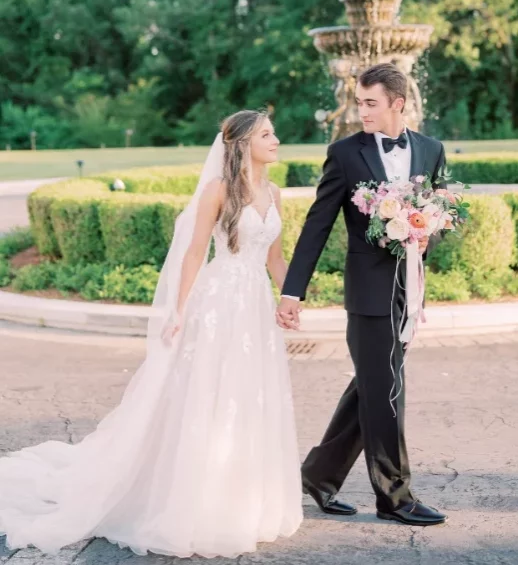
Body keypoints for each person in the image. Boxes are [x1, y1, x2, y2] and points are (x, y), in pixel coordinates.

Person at [0, 110, 303, 558]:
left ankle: (241, 496)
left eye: (273, 132)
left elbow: (276, 258)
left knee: (249, 394)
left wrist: (291, 297)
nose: (275, 139)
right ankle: (191, 498)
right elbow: (194, 253)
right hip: (219, 306)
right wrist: (178, 311)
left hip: (255, 307)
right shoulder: (218, 191)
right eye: (266, 134)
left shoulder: (274, 193)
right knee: (208, 395)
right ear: (241, 144)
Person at [277, 63, 448, 527]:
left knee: (373, 388)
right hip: (368, 294)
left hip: (410, 291)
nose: (362, 111)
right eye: (359, 102)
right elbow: (318, 224)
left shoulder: (432, 150)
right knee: (388, 388)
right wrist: (293, 292)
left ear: (398, 103)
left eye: (371, 103)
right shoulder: (345, 153)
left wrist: (424, 228)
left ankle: (318, 474)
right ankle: (395, 497)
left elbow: (441, 210)